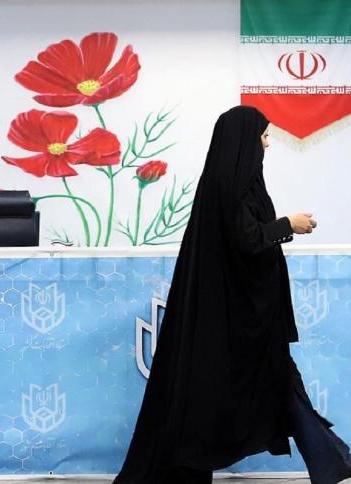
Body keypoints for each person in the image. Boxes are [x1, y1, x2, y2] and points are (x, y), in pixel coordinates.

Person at [114, 106, 351, 484]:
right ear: (244, 141)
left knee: (278, 384)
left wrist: (284, 227)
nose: (267, 144)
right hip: (235, 319)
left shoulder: (235, 183)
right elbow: (246, 239)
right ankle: (332, 462)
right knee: (268, 386)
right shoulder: (231, 185)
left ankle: (332, 462)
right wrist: (287, 224)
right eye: (264, 136)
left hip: (246, 316)